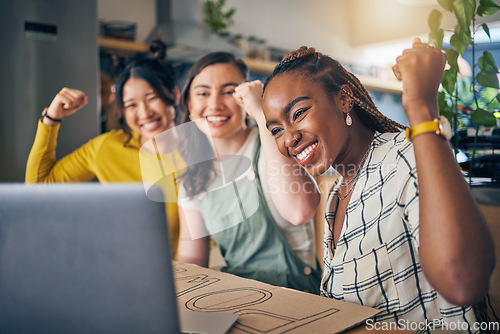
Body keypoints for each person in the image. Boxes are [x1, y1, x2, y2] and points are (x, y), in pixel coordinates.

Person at [260, 38, 495, 330]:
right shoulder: (337, 193)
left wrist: (421, 105)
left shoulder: (407, 155)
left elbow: (464, 283)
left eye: (299, 114)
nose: (289, 139)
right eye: (276, 130)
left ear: (344, 99)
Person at [176, 51, 323, 294]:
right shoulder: (193, 178)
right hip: (239, 296)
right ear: (190, 106)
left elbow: (300, 211)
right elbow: (191, 262)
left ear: (245, 100)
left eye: (228, 92)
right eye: (203, 93)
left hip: (297, 295)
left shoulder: (276, 145)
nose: (214, 104)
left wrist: (263, 114)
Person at [25, 56, 183, 257]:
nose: (144, 113)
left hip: (194, 279)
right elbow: (39, 187)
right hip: (122, 271)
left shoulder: (198, 150)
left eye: (152, 98)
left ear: (174, 95)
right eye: (131, 105)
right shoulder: (106, 148)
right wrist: (51, 119)